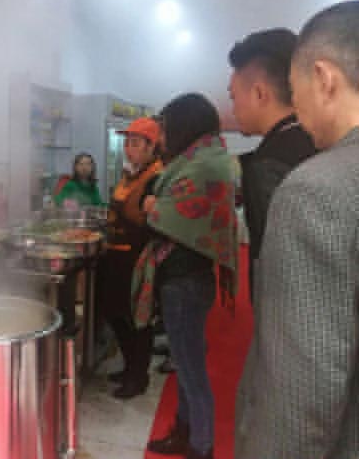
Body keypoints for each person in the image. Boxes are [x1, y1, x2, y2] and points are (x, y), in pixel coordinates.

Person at [235, 1, 359, 459]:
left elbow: (303, 389)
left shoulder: (316, 189)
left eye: (296, 85)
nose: (297, 105)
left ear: (324, 78)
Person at [133, 94, 238, 459]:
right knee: (184, 363)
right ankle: (184, 431)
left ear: (184, 125)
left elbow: (168, 214)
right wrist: (154, 204)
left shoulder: (203, 165)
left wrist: (152, 206)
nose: (161, 137)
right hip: (187, 276)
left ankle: (201, 446)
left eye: (164, 129)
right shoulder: (200, 158)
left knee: (191, 370)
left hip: (185, 280)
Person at [227, 28, 316, 300]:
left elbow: (281, 272)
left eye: (233, 96)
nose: (232, 108)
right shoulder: (318, 140)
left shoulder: (269, 164)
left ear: (259, 93)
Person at [97, 117, 163, 399]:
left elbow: (153, 221)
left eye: (135, 143)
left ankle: (138, 377)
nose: (128, 149)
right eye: (127, 143)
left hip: (137, 258)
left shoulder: (157, 178)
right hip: (117, 254)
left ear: (151, 146)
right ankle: (129, 367)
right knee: (115, 313)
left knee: (138, 318)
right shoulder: (131, 174)